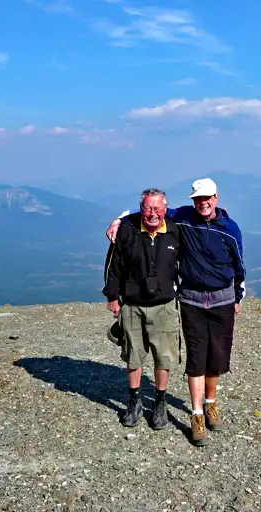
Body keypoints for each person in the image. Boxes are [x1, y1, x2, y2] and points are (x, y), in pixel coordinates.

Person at [106, 178, 245, 446]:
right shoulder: (181, 218)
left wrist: (238, 296)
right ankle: (191, 414)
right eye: (198, 199)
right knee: (188, 356)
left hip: (214, 300)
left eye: (207, 198)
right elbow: (147, 215)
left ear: (216, 197)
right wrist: (119, 219)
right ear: (192, 200)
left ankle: (204, 403)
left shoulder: (222, 228)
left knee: (211, 356)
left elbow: (239, 264)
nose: (203, 203)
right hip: (187, 300)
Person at [102, 188, 182, 430]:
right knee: (133, 357)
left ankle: (160, 402)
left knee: (163, 357)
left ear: (165, 209)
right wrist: (112, 297)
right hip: (133, 305)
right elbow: (113, 265)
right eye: (147, 208)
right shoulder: (127, 230)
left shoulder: (175, 230)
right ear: (141, 208)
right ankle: (134, 401)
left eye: (157, 208)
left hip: (165, 306)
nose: (152, 213)